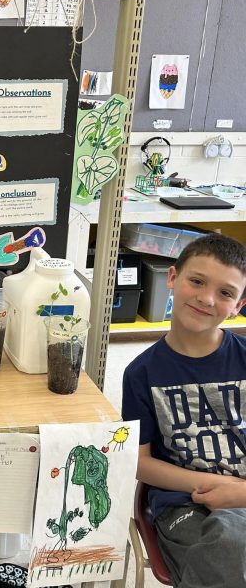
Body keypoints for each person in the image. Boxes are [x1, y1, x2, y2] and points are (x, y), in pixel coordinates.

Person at [122, 233, 246, 587]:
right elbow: (138, 461)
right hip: (183, 503)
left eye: (225, 293)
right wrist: (215, 484)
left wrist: (240, 493)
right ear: (172, 278)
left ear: (239, 304)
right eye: (197, 281)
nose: (207, 299)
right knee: (227, 548)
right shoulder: (141, 373)